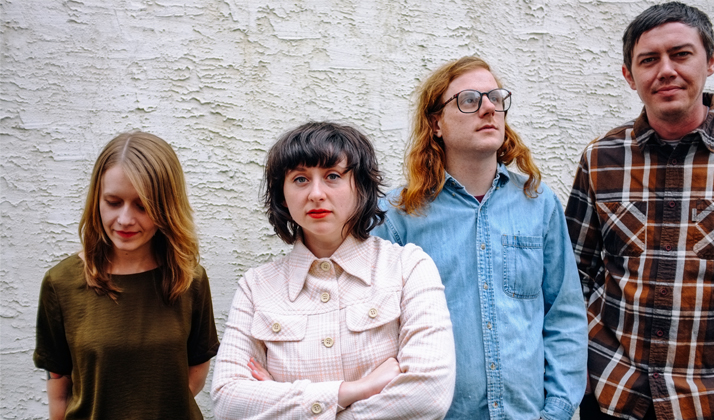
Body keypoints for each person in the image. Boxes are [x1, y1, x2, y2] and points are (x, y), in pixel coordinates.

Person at [372, 56, 588, 420]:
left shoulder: (538, 203)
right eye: (469, 100)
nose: (488, 108)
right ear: (436, 123)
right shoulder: (398, 215)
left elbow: (564, 315)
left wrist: (558, 410)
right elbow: (376, 331)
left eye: (495, 98)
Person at [210, 121, 455, 419]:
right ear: (282, 195)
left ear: (361, 186)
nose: (316, 193)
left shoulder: (408, 267)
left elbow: (428, 395)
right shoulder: (256, 286)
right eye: (300, 179)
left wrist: (294, 406)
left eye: (333, 176)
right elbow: (228, 401)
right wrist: (352, 391)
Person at [565, 2, 714, 419]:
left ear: (710, 62)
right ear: (629, 76)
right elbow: (572, 275)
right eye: (649, 60)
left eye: (681, 54)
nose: (665, 70)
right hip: (615, 392)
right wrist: (581, 368)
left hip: (703, 397)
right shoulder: (601, 159)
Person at [33, 132, 220, 420]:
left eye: (142, 206)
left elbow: (196, 370)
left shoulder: (189, 279)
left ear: (166, 207)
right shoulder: (61, 283)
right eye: (113, 202)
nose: (125, 220)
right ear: (97, 200)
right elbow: (58, 386)